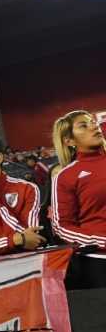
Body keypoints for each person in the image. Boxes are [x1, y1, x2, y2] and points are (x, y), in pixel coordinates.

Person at [50, 110, 106, 288]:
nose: (94, 126)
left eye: (93, 122)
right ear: (69, 141)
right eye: (84, 125)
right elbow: (61, 227)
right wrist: (101, 241)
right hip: (99, 261)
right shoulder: (66, 176)